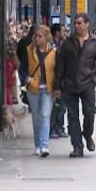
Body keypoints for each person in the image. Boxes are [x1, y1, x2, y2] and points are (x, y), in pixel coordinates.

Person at [53, 14, 96, 157]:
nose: (77, 26)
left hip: (87, 83)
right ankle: (77, 146)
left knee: (89, 113)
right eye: (75, 23)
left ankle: (87, 134)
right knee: (72, 116)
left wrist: (95, 80)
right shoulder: (67, 43)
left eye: (79, 23)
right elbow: (60, 65)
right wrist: (57, 86)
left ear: (87, 24)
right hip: (70, 83)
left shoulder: (95, 43)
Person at [21, 25, 56, 158]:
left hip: (48, 88)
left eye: (40, 36)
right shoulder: (29, 50)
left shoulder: (53, 52)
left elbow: (57, 70)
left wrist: (57, 87)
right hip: (33, 88)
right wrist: (27, 79)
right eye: (35, 36)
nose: (36, 38)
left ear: (47, 37)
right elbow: (22, 68)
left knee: (45, 115)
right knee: (36, 117)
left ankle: (44, 145)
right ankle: (37, 145)